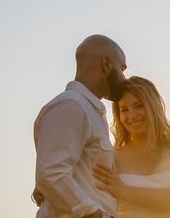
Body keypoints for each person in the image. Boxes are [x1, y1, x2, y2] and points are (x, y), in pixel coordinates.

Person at [33, 34, 127, 218]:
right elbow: (52, 175)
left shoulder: (89, 111)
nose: (124, 77)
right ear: (106, 64)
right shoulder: (72, 106)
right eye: (122, 68)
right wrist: (96, 215)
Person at [92, 76, 170, 218]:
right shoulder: (111, 156)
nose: (132, 115)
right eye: (124, 110)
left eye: (139, 106)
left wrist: (124, 190)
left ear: (153, 106)